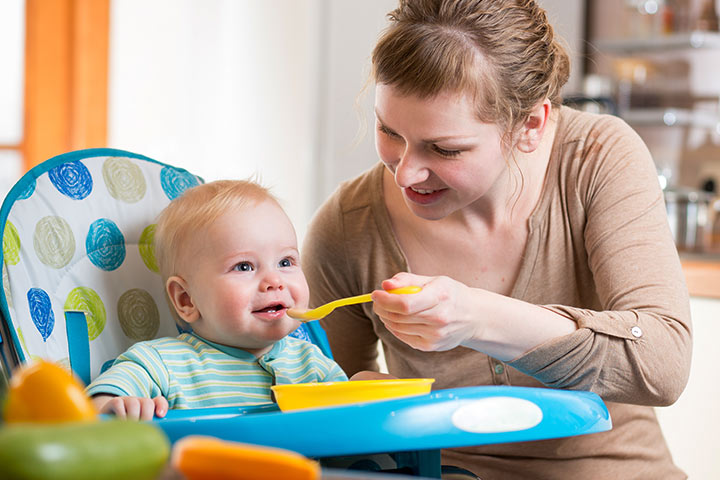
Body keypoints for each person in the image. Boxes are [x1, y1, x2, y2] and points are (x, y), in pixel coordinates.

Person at [301, 1, 692, 478]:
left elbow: (663, 362)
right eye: (389, 132)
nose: (406, 173)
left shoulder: (595, 159)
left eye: (446, 149)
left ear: (530, 125)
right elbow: (330, 420)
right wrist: (365, 401)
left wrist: (479, 318)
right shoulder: (348, 226)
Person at [87, 180, 348, 420]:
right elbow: (94, 405)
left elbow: (352, 427)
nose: (275, 281)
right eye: (244, 267)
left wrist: (370, 388)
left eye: (285, 262)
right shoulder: (162, 363)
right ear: (186, 299)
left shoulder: (313, 365)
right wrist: (115, 405)